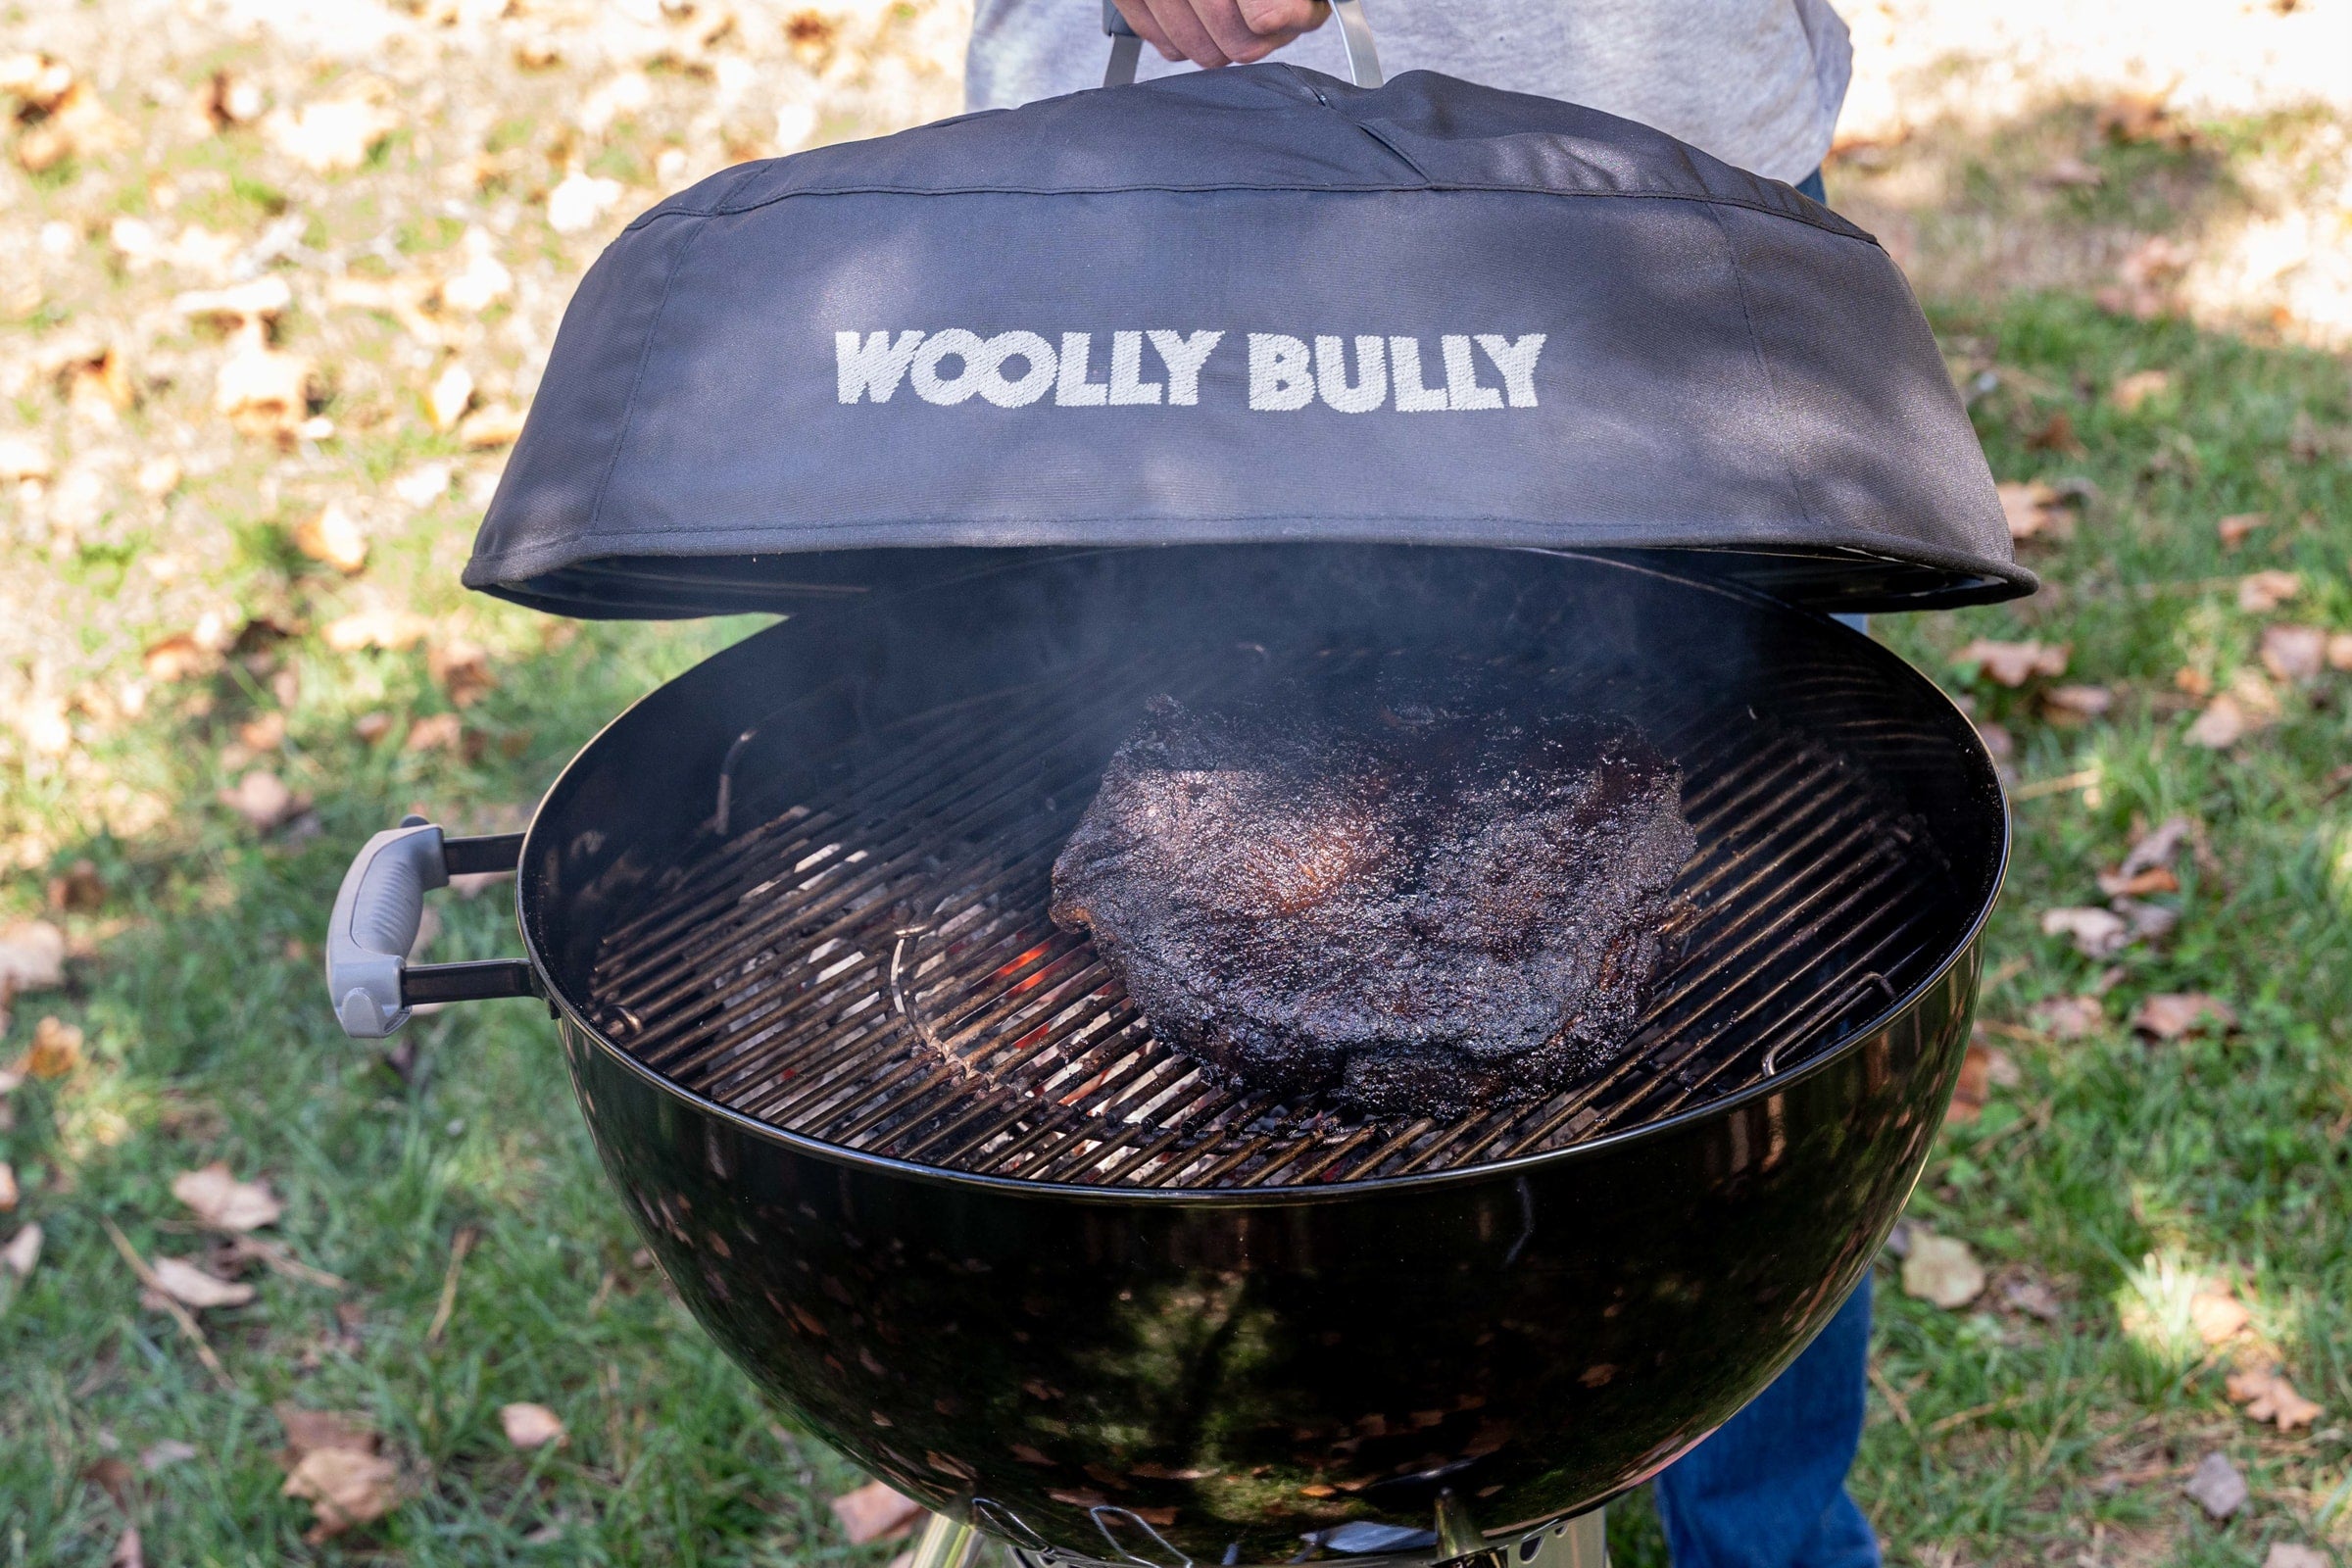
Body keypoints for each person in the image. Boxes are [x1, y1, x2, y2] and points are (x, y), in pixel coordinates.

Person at [960, 7, 1873, 1568]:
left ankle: (1768, 1537)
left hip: (1652, 196)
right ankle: (1345, 1492)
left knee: (1789, 1043)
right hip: (1161, 232)